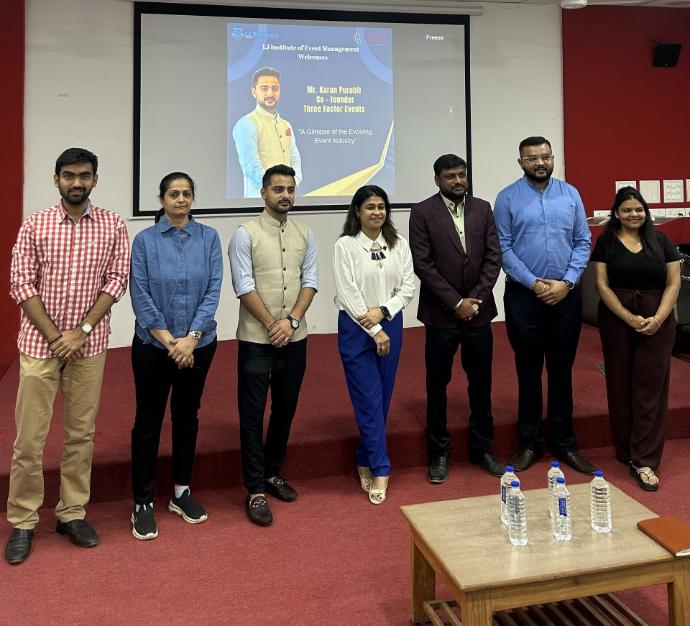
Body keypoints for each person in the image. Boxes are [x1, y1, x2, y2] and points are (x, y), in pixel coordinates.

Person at [5, 148, 130, 565]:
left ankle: (71, 513)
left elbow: (117, 280)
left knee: (81, 435)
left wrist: (82, 331)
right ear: (56, 179)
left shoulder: (113, 225)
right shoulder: (35, 225)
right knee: (29, 439)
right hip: (39, 347)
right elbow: (21, 284)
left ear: (95, 179)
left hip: (88, 347)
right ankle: (23, 520)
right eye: (69, 175)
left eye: (85, 175)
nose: (77, 182)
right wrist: (57, 337)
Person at [128, 172, 223, 540]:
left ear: (192, 198)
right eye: (173, 194)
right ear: (162, 199)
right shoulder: (145, 241)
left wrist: (191, 339)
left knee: (187, 417)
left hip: (198, 345)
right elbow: (140, 295)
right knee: (148, 421)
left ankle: (181, 492)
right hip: (154, 347)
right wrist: (172, 342)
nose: (180, 199)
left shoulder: (209, 238)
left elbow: (213, 290)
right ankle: (142, 502)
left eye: (186, 194)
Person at [494, 136, 595, 475]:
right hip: (525, 296)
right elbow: (503, 248)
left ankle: (564, 443)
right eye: (532, 158)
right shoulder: (507, 198)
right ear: (520, 162)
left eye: (545, 156)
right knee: (528, 371)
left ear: (553, 158)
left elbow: (582, 241)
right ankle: (530, 443)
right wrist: (535, 284)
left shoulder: (571, 194)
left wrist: (567, 282)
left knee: (562, 371)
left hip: (566, 295)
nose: (540, 162)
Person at [228, 164, 318, 526]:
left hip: (295, 338)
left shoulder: (305, 233)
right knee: (252, 415)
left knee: (285, 409)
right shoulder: (245, 234)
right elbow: (243, 285)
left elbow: (310, 281)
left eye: (290, 189)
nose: (285, 195)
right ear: (263, 193)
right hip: (256, 340)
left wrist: (291, 322)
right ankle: (254, 489)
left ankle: (271, 471)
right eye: (278, 189)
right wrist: (271, 324)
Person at [409, 154, 503, 483]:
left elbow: (493, 257)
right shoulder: (422, 212)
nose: (458, 181)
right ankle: (439, 452)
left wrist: (474, 300)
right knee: (437, 386)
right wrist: (456, 303)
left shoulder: (483, 208)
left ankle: (482, 449)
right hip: (441, 315)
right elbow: (423, 264)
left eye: (462, 175)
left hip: (479, 312)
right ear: (437, 180)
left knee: (481, 383)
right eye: (450, 176)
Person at [592, 187, 680, 491]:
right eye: (627, 210)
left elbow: (673, 283)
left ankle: (644, 459)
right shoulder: (605, 243)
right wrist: (628, 318)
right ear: (616, 213)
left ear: (646, 212)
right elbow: (602, 286)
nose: (634, 215)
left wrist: (659, 318)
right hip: (616, 320)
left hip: (657, 319)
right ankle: (626, 449)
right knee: (619, 385)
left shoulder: (661, 241)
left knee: (650, 388)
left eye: (638, 209)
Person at [333, 185, 415, 504]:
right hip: (357, 329)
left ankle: (364, 457)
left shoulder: (399, 244)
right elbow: (347, 292)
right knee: (368, 399)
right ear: (357, 211)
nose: (377, 212)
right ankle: (381, 468)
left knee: (382, 399)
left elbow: (408, 287)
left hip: (390, 323)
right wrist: (375, 328)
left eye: (381, 206)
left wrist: (383, 312)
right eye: (370, 207)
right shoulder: (346, 245)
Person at [232, 67, 302, 198]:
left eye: (275, 89)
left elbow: (295, 158)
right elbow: (251, 167)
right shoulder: (246, 124)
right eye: (264, 88)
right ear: (254, 92)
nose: (270, 93)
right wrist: (277, 189)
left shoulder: (286, 124)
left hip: (286, 199)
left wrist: (292, 185)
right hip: (258, 200)